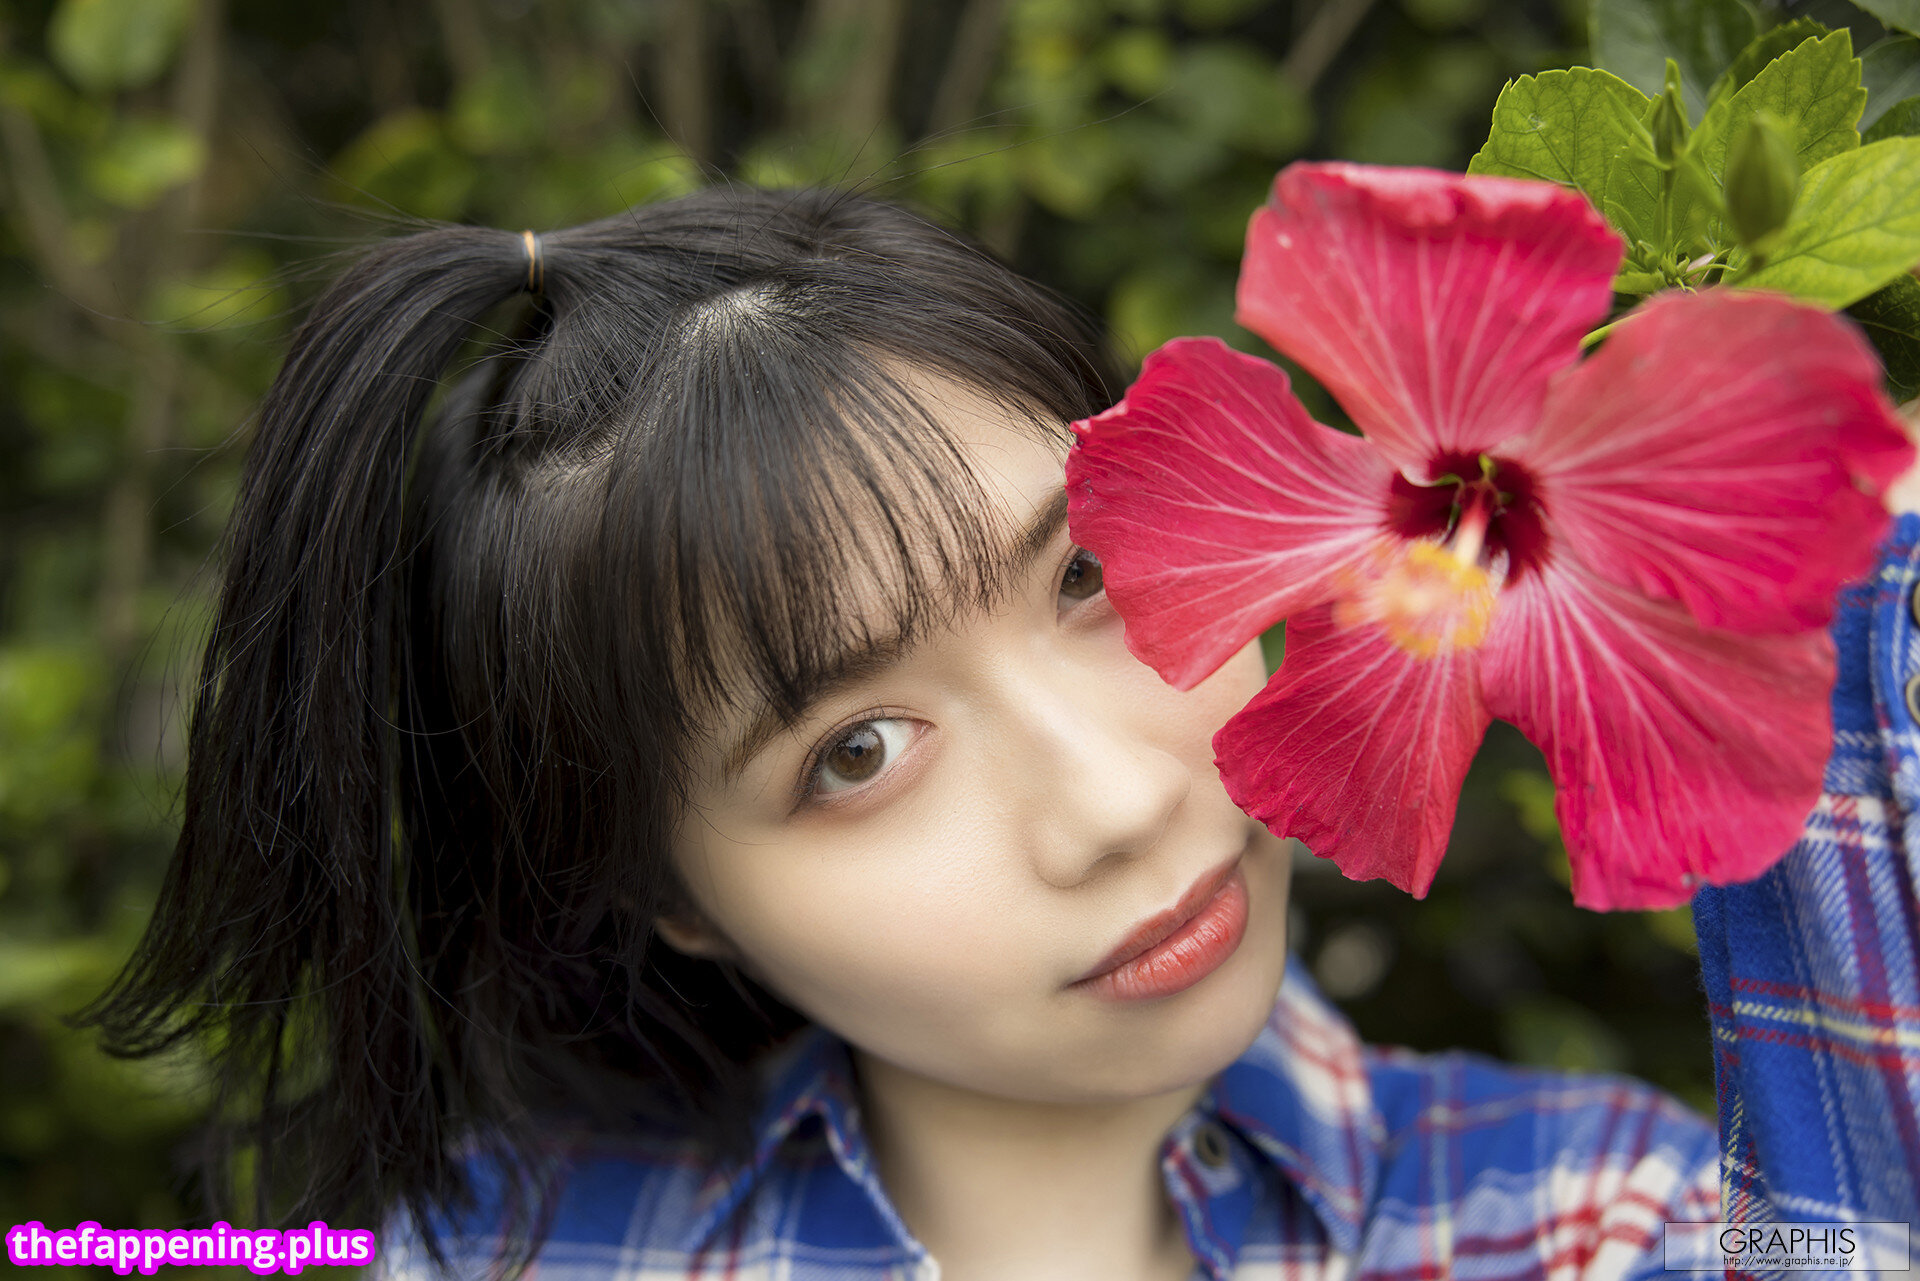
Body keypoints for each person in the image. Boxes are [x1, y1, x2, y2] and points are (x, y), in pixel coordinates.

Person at [83, 185, 1920, 1280]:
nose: (1112, 800)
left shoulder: (1595, 1220)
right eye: (855, 751)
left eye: (1093, 574)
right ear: (671, 894)